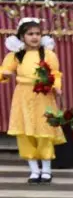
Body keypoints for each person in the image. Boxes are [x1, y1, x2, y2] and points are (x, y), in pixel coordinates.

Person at [2, 19, 63, 183]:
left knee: (44, 131)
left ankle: (47, 169)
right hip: (23, 95)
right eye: (30, 34)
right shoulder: (15, 55)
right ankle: (34, 170)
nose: (34, 37)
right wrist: (5, 75)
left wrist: (56, 86)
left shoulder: (49, 54)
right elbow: (4, 71)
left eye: (37, 34)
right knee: (25, 132)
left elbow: (56, 73)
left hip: (43, 95)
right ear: (22, 36)